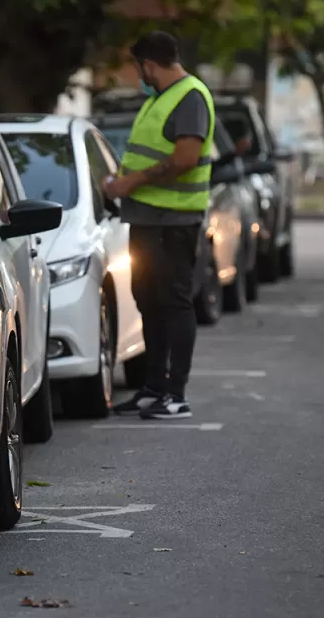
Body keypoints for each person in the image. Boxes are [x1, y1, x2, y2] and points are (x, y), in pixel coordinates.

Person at [103, 31, 248, 419]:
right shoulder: (161, 99)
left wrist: (129, 183)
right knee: (149, 300)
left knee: (174, 302)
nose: (140, 75)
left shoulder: (190, 96)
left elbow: (185, 158)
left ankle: (176, 395)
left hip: (174, 220)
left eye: (139, 68)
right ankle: (153, 388)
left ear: (149, 64)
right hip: (148, 219)